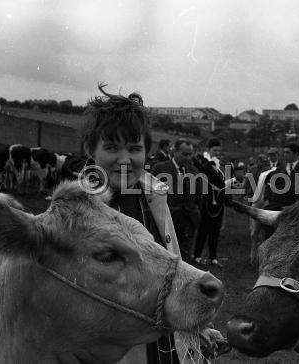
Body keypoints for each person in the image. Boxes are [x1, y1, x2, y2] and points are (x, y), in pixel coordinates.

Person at [81, 87, 225, 364]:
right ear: (90, 150)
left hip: (161, 338)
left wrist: (196, 324)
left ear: (146, 151)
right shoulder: (76, 212)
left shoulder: (154, 194)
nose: (125, 159)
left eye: (134, 148)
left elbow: (172, 259)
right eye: (111, 147)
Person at [151, 138, 202, 261]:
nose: (188, 157)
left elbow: (199, 196)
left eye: (191, 154)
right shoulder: (160, 168)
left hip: (189, 219)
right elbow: (151, 194)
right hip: (168, 219)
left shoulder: (195, 172)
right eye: (185, 154)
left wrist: (194, 211)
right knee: (166, 254)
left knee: (185, 256)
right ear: (175, 152)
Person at [193, 138, 226, 266]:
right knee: (203, 229)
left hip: (218, 202)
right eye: (215, 150)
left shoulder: (218, 164)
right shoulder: (203, 162)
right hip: (206, 201)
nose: (217, 152)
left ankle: (213, 257)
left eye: (219, 150)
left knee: (215, 231)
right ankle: (197, 256)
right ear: (209, 149)